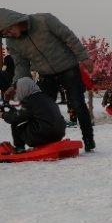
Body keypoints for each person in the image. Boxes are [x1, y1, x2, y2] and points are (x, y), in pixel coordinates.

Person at [0, 8, 95, 152]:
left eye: (8, 30)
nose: (8, 35)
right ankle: (46, 140)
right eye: (4, 34)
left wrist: (84, 57)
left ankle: (89, 141)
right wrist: (15, 85)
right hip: (45, 74)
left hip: (68, 67)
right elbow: (21, 66)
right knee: (40, 106)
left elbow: (68, 37)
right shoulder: (12, 42)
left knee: (77, 103)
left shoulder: (44, 20)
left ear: (14, 21)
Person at [1, 77, 66, 154]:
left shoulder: (29, 101)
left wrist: (3, 115)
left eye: (17, 90)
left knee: (17, 123)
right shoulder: (45, 97)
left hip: (43, 135)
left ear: (23, 88)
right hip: (58, 134)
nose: (17, 92)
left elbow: (16, 117)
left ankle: (19, 148)